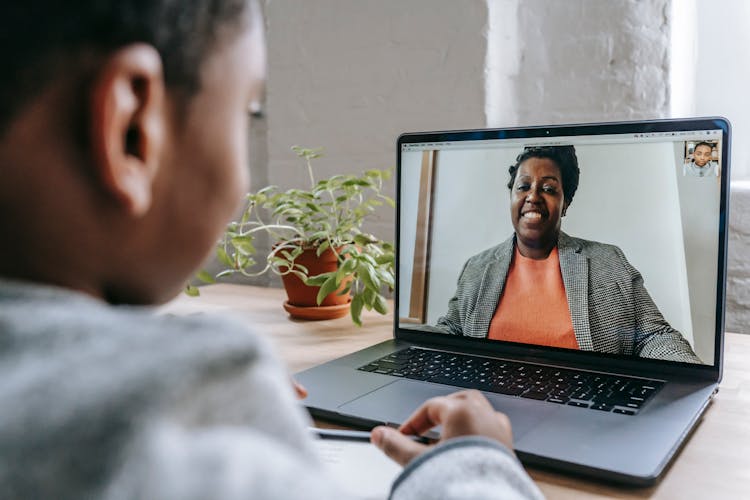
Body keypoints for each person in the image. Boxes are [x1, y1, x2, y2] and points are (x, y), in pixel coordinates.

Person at [0, 1, 543, 499]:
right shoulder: (177, 415)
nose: (534, 199)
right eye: (245, 109)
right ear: (131, 131)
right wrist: (479, 462)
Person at [437, 146, 702, 364]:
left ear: (565, 205)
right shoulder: (478, 267)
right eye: (523, 186)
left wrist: (690, 377)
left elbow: (653, 337)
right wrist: (402, 346)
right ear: (511, 197)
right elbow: (450, 330)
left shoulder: (608, 261)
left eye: (549, 189)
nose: (533, 196)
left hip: (585, 413)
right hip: (487, 411)